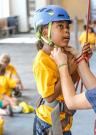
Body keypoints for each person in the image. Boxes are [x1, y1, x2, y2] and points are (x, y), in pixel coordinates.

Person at [33, 5, 78, 135]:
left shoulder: (64, 54)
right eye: (60, 26)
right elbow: (49, 96)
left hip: (63, 122)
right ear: (45, 33)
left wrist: (81, 61)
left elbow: (70, 83)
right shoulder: (42, 61)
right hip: (48, 124)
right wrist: (68, 70)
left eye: (67, 27)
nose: (67, 31)